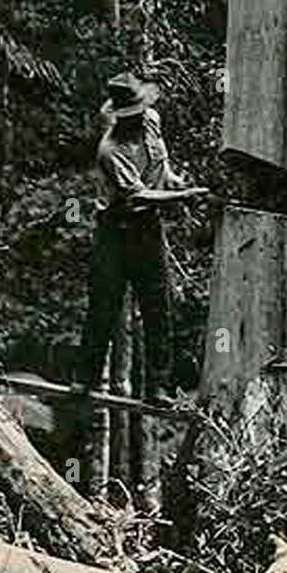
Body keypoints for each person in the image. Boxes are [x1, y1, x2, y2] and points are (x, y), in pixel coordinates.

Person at [76, 72, 208, 401]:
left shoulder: (151, 120)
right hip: (116, 231)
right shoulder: (110, 151)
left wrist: (175, 181)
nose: (138, 120)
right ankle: (86, 377)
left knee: (158, 308)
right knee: (104, 306)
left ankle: (158, 385)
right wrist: (185, 196)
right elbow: (138, 196)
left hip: (148, 229)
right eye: (130, 117)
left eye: (139, 113)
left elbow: (161, 165)